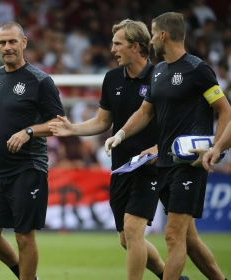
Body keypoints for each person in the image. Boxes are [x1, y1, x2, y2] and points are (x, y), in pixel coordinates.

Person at [49, 19, 180, 280]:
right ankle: (170, 275)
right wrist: (72, 129)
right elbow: (102, 122)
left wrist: (156, 148)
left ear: (136, 46)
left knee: (133, 232)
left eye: (117, 44)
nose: (112, 49)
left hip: (152, 167)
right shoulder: (111, 79)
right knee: (126, 239)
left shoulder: (161, 77)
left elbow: (176, 126)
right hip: (121, 167)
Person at [104, 12, 229, 280]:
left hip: (189, 164)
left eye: (151, 33)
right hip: (164, 165)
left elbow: (225, 111)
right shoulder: (159, 71)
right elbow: (145, 112)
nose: (149, 40)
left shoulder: (198, 70)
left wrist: (216, 148)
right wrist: (121, 134)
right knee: (189, 239)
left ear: (162, 35)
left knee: (172, 235)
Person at [0, 21, 65, 280]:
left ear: (24, 43)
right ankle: (26, 274)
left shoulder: (40, 81)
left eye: (12, 41)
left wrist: (28, 132)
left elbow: (60, 125)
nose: (7, 47)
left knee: (23, 235)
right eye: (2, 43)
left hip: (28, 167)